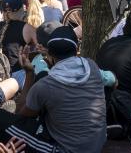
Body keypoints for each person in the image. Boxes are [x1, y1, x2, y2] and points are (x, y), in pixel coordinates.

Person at [18, 25, 107, 153]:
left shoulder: (44, 85)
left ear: (49, 53)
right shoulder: (92, 66)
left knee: (8, 124)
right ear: (77, 49)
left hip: (65, 149)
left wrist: (29, 73)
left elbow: (21, 115)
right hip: (97, 145)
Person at [0, 0, 36, 72]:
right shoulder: (27, 28)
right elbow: (39, 47)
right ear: (21, 10)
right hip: (17, 72)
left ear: (3, 11)